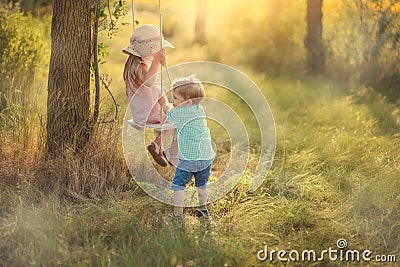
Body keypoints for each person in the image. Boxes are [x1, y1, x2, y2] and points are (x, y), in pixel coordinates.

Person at [123, 24, 178, 167]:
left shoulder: (131, 66)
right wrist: (156, 61)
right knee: (178, 118)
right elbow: (149, 82)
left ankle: (158, 146)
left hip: (140, 114)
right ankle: (163, 148)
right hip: (150, 114)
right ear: (150, 50)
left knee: (169, 108)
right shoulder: (141, 67)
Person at [166, 75, 215, 219]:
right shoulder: (200, 109)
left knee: (178, 186)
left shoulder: (179, 113)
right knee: (202, 185)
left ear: (187, 102)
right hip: (206, 157)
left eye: (175, 98)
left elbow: (168, 114)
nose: (172, 101)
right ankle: (203, 209)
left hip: (189, 159)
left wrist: (164, 103)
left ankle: (178, 215)